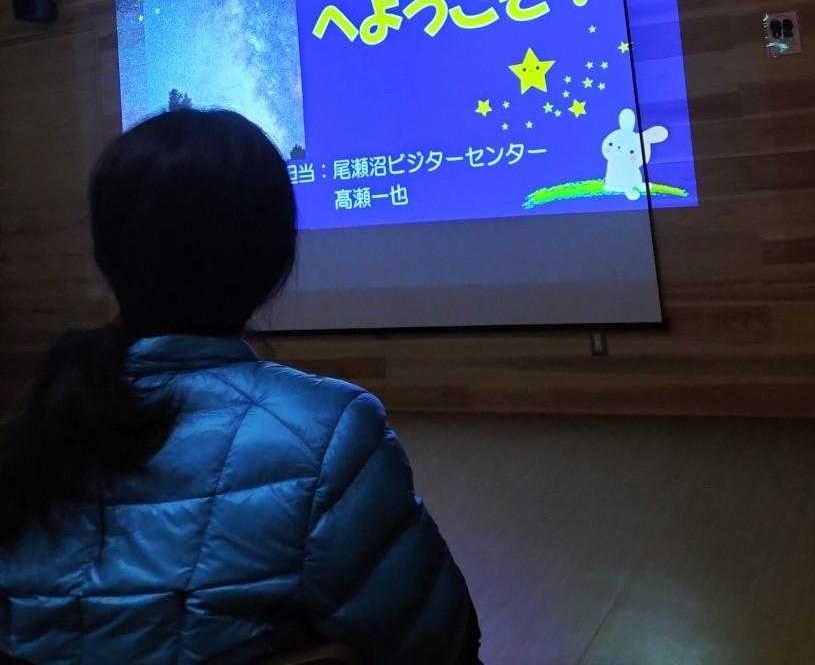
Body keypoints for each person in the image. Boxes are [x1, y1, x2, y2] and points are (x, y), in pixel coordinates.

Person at [0, 109, 481, 665]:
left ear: (107, 257)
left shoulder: (30, 435)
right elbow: (440, 645)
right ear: (272, 259)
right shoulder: (330, 436)